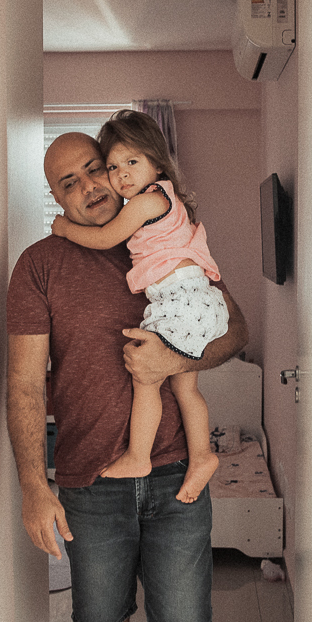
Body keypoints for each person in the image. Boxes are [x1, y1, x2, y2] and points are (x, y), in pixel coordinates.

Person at [7, 129, 248, 622]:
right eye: (68, 182)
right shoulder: (38, 265)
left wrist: (174, 358)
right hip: (88, 482)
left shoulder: (161, 235)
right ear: (55, 198)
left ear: (118, 170)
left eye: (95, 168)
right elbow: (24, 385)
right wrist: (32, 487)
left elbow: (236, 330)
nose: (89, 186)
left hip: (177, 476)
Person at [50, 110, 225, 503]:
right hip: (195, 297)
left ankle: (138, 455)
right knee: (186, 390)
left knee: (146, 378)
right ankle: (202, 456)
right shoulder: (166, 200)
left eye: (132, 162)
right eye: (114, 166)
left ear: (157, 162)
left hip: (179, 300)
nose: (122, 175)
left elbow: (106, 237)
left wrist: (63, 228)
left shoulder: (148, 201)